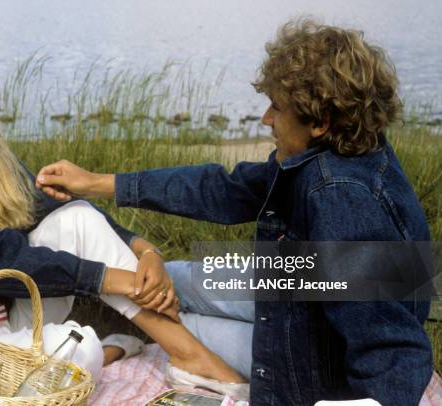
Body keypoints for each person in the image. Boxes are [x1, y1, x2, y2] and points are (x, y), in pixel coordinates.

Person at [35, 19, 434, 405]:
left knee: (174, 325)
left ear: (321, 121)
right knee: (166, 280)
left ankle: (175, 347)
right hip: (298, 286)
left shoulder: (339, 194)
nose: (265, 119)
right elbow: (224, 189)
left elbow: (390, 340)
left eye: (276, 108)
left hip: (318, 358)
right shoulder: (336, 152)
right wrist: (99, 182)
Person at [0, 36, 248, 394]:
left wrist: (147, 252)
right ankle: (115, 348)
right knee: (77, 348)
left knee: (77, 217)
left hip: (11, 318)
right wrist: (123, 282)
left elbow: (63, 208)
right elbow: (4, 260)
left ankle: (188, 355)